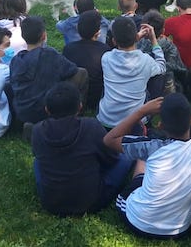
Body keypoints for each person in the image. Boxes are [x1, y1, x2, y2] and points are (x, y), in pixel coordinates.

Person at [104, 94, 191, 246]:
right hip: (180, 230)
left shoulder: (151, 146)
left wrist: (141, 112)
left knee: (141, 168)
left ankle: (141, 162)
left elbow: (109, 140)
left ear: (160, 126)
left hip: (138, 221)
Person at [32, 82, 132, 215]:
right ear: (79, 107)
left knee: (38, 162)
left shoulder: (37, 130)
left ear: (47, 109)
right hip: (92, 202)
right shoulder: (91, 126)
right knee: (125, 157)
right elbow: (112, 159)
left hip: (51, 202)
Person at [10, 16, 88, 125]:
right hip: (47, 109)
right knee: (82, 73)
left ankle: (31, 125)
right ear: (43, 36)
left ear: (23, 36)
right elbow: (72, 70)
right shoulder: (50, 54)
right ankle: (75, 115)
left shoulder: (16, 60)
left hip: (22, 112)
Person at [97, 17, 166, 132]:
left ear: (114, 41)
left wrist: (134, 38)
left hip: (107, 121)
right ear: (135, 37)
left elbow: (121, 49)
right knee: (158, 76)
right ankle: (147, 122)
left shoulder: (106, 58)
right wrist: (154, 40)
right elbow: (162, 67)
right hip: (135, 123)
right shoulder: (146, 61)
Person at [62, 10, 111, 110]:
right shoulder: (105, 49)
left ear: (78, 29)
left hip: (74, 95)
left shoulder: (68, 49)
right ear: (98, 32)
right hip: (96, 98)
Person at [136, 10, 187, 95]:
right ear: (163, 31)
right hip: (163, 87)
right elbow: (180, 69)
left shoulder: (134, 44)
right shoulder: (169, 46)